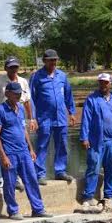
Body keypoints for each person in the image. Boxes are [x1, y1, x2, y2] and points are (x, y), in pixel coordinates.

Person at [0, 82, 51, 220]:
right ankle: (13, 211)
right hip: (10, 152)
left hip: (24, 151)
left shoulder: (20, 108)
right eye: (15, 93)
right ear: (7, 94)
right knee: (10, 183)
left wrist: (30, 149)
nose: (18, 95)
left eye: (19, 93)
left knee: (32, 179)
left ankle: (38, 208)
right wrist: (3, 156)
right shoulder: (0, 110)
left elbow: (23, 130)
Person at [28, 48, 75, 185]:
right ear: (44, 61)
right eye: (50, 60)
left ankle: (60, 171)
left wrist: (71, 112)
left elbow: (68, 95)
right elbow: (31, 99)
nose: (53, 62)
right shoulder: (36, 77)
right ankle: (40, 173)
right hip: (44, 118)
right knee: (42, 145)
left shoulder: (62, 76)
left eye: (55, 60)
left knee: (62, 145)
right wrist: (33, 118)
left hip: (60, 117)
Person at [80, 73, 112, 208]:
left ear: (110, 84)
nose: (103, 85)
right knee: (93, 167)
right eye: (101, 82)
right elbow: (86, 119)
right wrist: (84, 137)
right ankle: (88, 196)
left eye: (106, 82)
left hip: (111, 140)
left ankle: (109, 195)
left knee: (110, 168)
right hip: (95, 140)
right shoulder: (92, 99)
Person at [0, 56, 35, 194]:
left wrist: (31, 119)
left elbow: (26, 101)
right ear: (6, 68)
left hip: (17, 117)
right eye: (11, 67)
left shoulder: (23, 82)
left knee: (19, 152)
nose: (13, 69)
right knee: (0, 152)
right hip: (3, 118)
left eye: (16, 67)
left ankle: (15, 180)